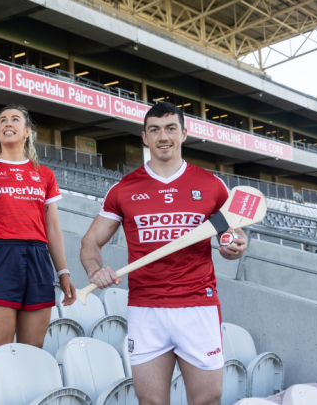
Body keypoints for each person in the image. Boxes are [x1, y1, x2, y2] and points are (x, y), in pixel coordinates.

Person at [79, 101, 248, 405]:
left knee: (207, 399)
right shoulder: (124, 188)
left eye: (171, 128)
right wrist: (95, 270)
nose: (163, 136)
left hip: (197, 305)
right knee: (152, 402)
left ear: (184, 133)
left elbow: (231, 234)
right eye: (154, 130)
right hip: (146, 309)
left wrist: (235, 246)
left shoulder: (212, 186)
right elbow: (90, 242)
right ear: (145, 137)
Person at [0, 105, 76, 354]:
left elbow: (53, 229)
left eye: (15, 119)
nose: (8, 123)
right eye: (3, 121)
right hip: (0, 255)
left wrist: (63, 272)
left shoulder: (44, 174)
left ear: (27, 131)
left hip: (39, 258)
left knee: (33, 350)